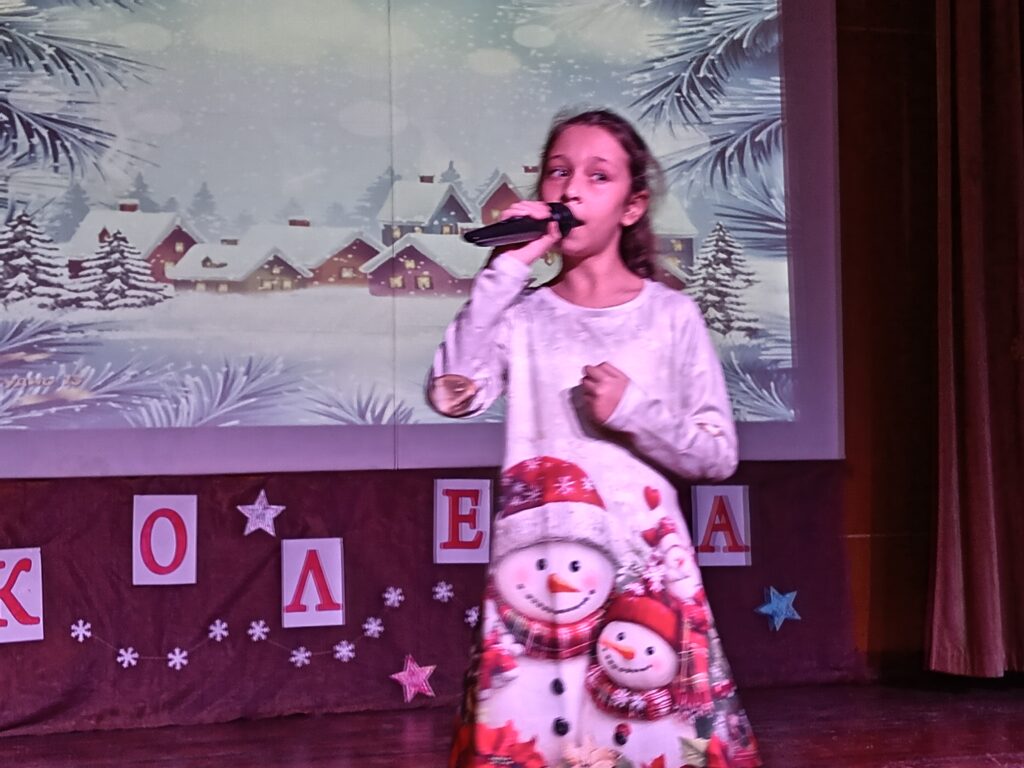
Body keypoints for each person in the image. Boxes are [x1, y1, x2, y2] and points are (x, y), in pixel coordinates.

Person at [429, 108, 761, 768]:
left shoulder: (670, 315)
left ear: (632, 207)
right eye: (558, 172)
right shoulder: (522, 316)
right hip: (541, 584)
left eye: (597, 175)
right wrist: (505, 270)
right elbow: (450, 393)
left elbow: (717, 453)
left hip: (644, 582)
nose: (572, 189)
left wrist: (634, 411)